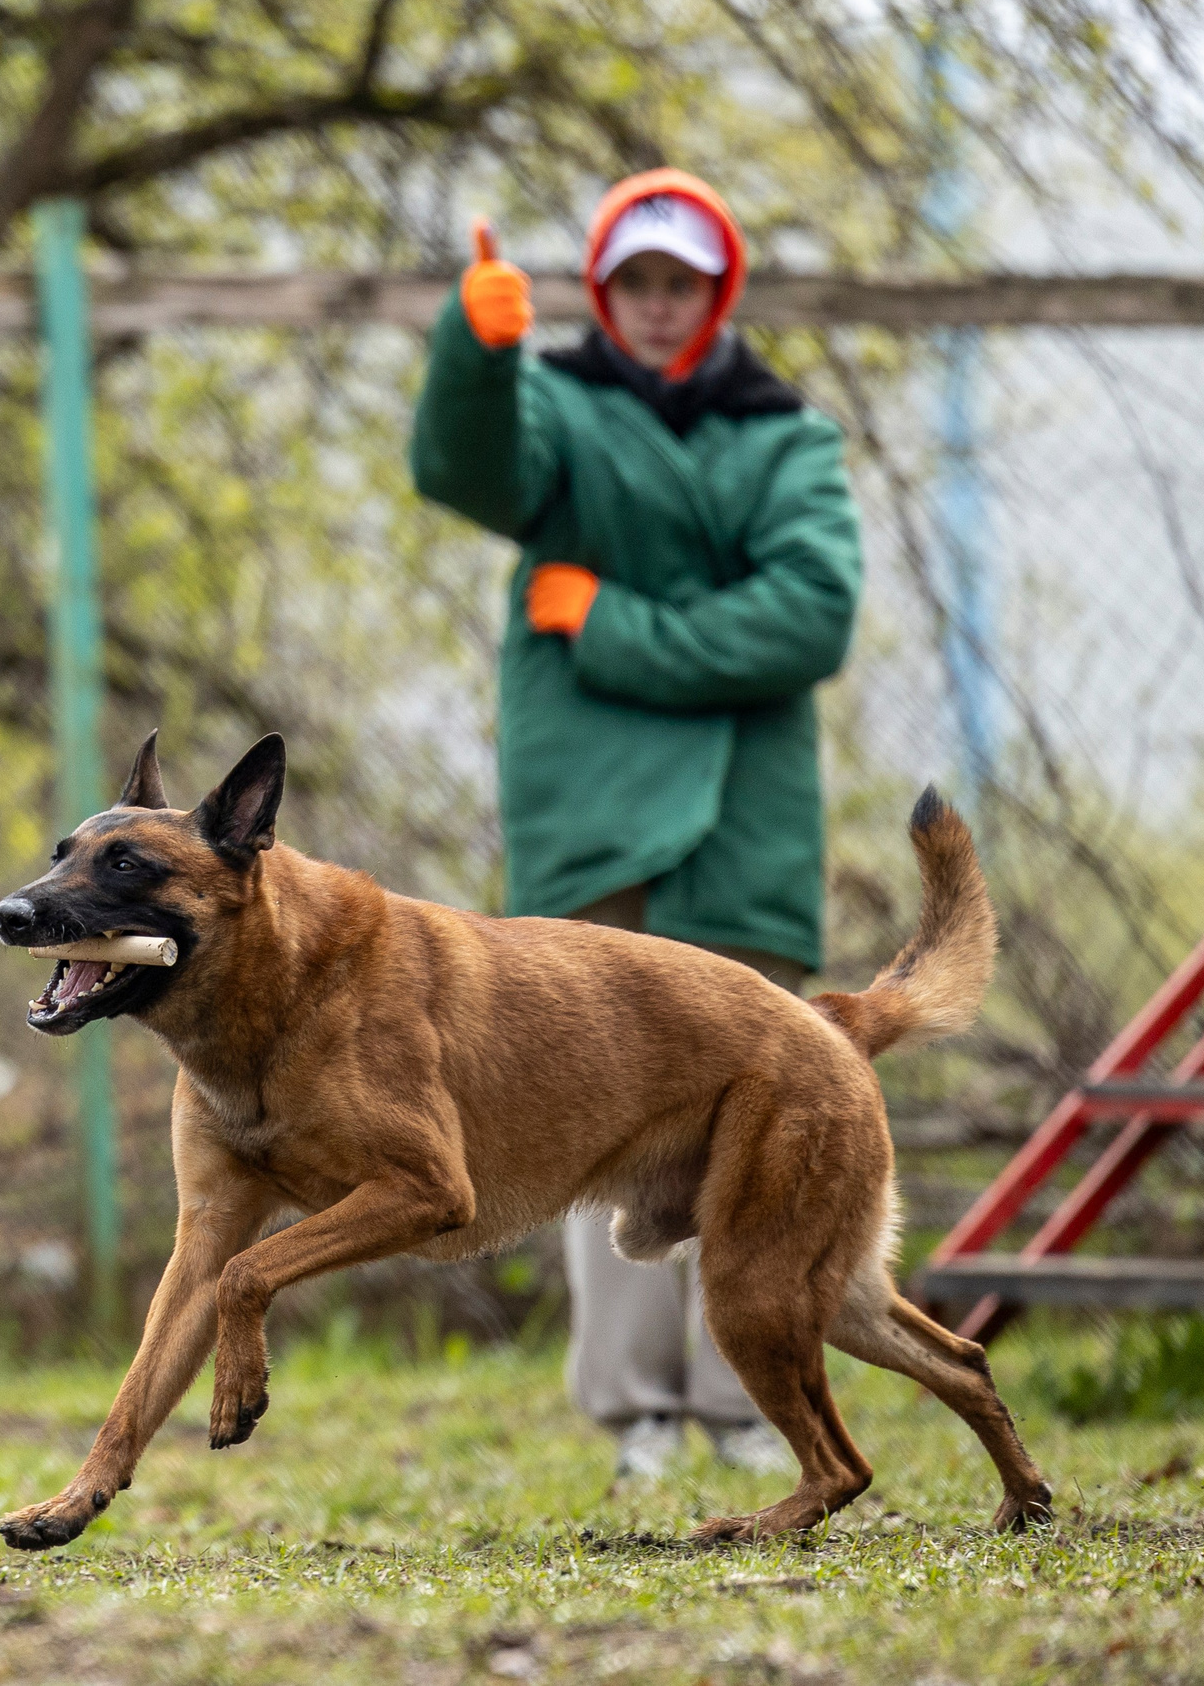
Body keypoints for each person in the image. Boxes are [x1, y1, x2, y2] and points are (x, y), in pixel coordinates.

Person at [406, 169, 863, 1481]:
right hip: (591, 821)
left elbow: (808, 616)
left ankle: (752, 1399)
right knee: (579, 1118)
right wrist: (475, 356)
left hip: (740, 830)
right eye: (637, 282)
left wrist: (613, 625)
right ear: (606, 292)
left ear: (716, 296)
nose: (660, 306)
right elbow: (469, 464)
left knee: (762, 1121)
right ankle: (637, 1410)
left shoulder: (788, 439)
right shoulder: (555, 408)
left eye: (683, 283)